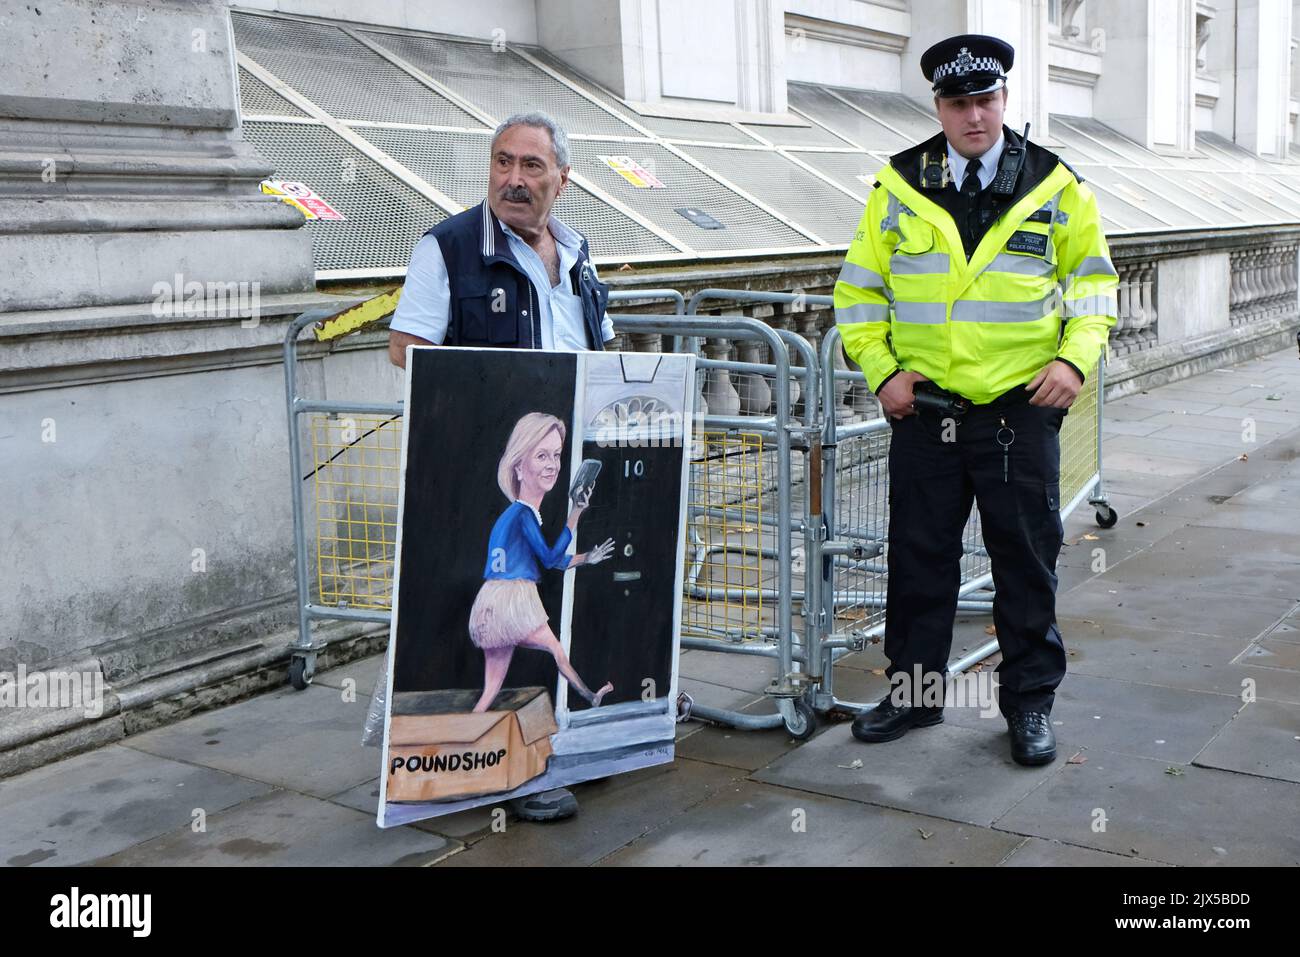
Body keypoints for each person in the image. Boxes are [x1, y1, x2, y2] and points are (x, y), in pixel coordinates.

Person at [834, 34, 1118, 766]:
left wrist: (1073, 363)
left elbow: (1093, 288)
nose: (975, 117)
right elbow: (859, 292)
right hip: (927, 412)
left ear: (1003, 101)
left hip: (1019, 413)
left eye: (986, 101)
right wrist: (882, 370)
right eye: (959, 103)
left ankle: (1028, 706)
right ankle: (916, 695)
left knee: (1026, 563)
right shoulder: (897, 185)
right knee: (919, 560)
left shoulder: (1056, 185)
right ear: (939, 107)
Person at [387, 111, 614, 821]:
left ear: (562, 179)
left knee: (560, 625)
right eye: (502, 162)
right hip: (495, 470)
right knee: (502, 648)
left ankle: (553, 747)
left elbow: (603, 352)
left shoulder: (578, 256)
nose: (514, 179)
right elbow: (406, 350)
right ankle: (507, 774)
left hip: (560, 464)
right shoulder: (447, 249)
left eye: (532, 166)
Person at [470, 412, 615, 713]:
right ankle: (590, 697)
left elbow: (551, 559)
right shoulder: (523, 514)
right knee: (556, 650)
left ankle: (461, 740)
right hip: (512, 601)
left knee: (491, 689)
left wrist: (587, 557)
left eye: (556, 455)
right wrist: (575, 513)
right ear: (519, 466)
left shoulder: (513, 516)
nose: (552, 465)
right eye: (541, 456)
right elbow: (550, 559)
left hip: (491, 601)